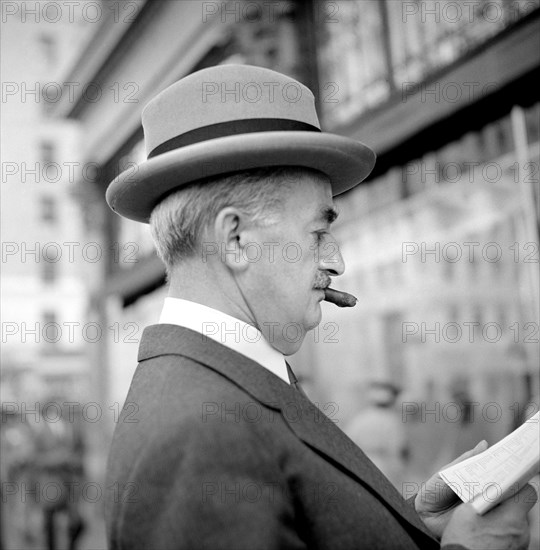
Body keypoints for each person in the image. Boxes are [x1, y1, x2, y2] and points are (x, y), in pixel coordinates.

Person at [104, 64, 536, 549]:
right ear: (236, 240)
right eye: (318, 232)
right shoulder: (200, 436)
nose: (337, 260)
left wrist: (410, 527)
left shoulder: (221, 387)